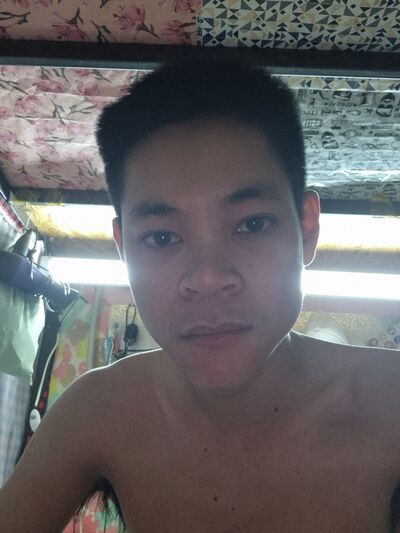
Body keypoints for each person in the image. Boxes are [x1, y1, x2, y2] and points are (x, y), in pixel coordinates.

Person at [1, 59, 400, 533]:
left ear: (306, 227)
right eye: (162, 237)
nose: (209, 278)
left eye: (252, 224)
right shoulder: (98, 411)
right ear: (124, 248)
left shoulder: (390, 401)